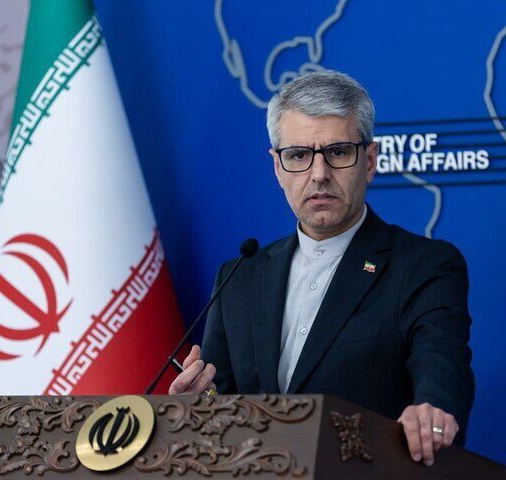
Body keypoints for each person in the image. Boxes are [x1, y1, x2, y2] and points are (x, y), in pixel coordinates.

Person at [168, 70, 474, 467]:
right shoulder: (239, 277)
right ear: (277, 167)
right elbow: (220, 409)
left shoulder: (424, 266)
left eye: (339, 152)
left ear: (369, 161)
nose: (319, 174)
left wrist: (434, 409)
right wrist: (198, 409)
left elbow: (441, 367)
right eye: (298, 155)